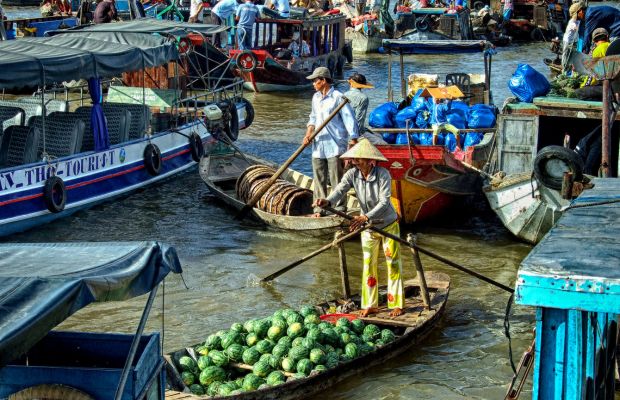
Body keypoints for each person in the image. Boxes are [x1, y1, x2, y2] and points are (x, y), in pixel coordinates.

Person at [313, 138, 404, 318]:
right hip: (368, 228)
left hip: (387, 225)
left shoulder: (383, 174)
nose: (355, 161)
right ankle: (370, 304)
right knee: (368, 265)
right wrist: (328, 201)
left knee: (392, 264)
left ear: (370, 160)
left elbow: (385, 202)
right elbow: (340, 190)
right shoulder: (352, 174)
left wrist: (365, 216)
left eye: (359, 158)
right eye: (354, 158)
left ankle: (397, 304)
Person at [304, 67, 359, 217]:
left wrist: (353, 141)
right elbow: (313, 118)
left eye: (315, 81)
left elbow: (349, 119)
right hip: (319, 144)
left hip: (335, 145)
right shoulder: (315, 98)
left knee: (337, 180)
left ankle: (339, 209)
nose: (313, 84)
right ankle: (319, 209)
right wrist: (308, 134)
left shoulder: (338, 97)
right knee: (319, 179)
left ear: (323, 81)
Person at [561, 1, 586, 72]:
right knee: (566, 55)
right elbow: (575, 28)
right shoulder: (572, 22)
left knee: (571, 55)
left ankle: (570, 67)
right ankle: (564, 68)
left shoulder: (578, 21)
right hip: (567, 41)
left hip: (573, 41)